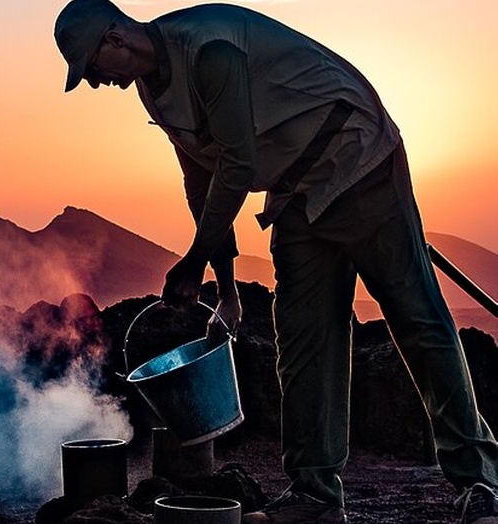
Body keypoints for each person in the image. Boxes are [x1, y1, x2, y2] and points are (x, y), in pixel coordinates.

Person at [54, 1, 498, 522]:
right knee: (303, 337)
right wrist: (225, 285)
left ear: (115, 39)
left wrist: (194, 260)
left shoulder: (209, 50)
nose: (96, 84)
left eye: (92, 70)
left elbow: (238, 165)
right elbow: (201, 179)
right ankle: (315, 496)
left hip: (357, 157)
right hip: (296, 192)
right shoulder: (154, 89)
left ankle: (480, 481)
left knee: (417, 318)